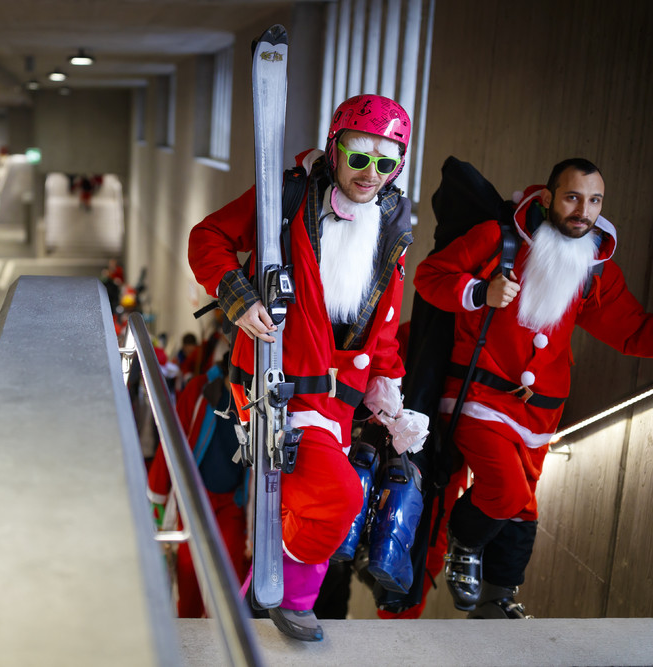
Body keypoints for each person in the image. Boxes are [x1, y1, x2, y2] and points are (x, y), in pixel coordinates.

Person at [187, 94, 428, 641]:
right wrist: (238, 296)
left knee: (328, 505)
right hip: (278, 380)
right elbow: (209, 238)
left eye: (386, 162)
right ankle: (282, 595)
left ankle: (259, 600)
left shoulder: (393, 219)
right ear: (335, 147)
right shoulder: (288, 196)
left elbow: (382, 317)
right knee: (338, 497)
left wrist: (387, 385)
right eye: (360, 156)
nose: (371, 173)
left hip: (340, 396)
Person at [413, 158, 653, 618]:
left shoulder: (596, 269)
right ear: (547, 198)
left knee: (523, 507)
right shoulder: (498, 239)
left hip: (541, 414)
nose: (583, 210)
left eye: (594, 200)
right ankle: (462, 544)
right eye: (572, 197)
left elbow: (632, 332)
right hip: (479, 396)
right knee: (504, 491)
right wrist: (479, 293)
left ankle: (497, 599)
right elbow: (430, 278)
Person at [146, 355, 250, 618]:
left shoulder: (256, 399)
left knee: (232, 579)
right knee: (189, 573)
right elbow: (172, 440)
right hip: (194, 497)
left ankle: (229, 643)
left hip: (234, 501)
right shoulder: (201, 389)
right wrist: (156, 501)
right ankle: (189, 642)